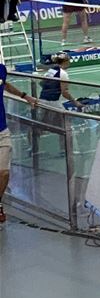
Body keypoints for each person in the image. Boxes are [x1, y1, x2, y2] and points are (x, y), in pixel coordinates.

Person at [0, 55, 40, 221]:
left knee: (4, 173)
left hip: (2, 130)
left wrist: (25, 96)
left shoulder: (1, 69)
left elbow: (5, 84)